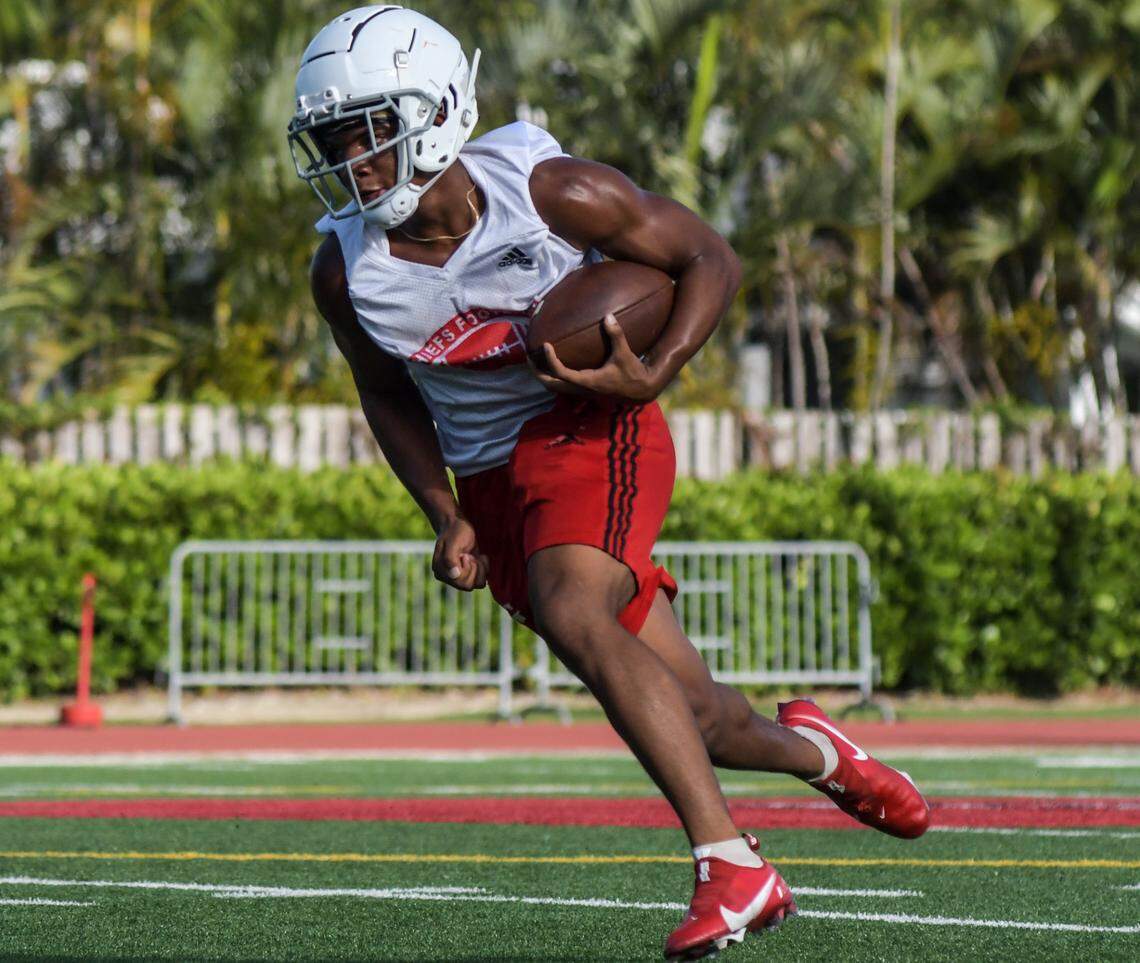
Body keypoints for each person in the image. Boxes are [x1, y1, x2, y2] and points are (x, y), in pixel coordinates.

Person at [289, 7, 930, 959]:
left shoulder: (550, 191)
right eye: (334, 140)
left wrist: (659, 365)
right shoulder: (344, 269)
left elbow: (710, 254)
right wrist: (444, 509)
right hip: (494, 478)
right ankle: (820, 752)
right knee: (701, 716)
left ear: (436, 111)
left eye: (371, 129)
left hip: (596, 423)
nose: (355, 160)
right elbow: (384, 392)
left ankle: (731, 864)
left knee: (571, 606)